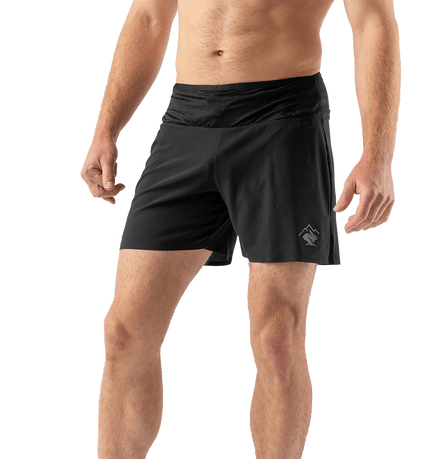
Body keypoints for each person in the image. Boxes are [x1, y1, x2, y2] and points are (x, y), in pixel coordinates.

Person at [79, 1, 400, 458]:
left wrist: (378, 156)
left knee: (277, 337)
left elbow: (374, 22)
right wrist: (106, 129)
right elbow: (148, 17)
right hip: (186, 120)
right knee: (123, 334)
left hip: (281, 119)